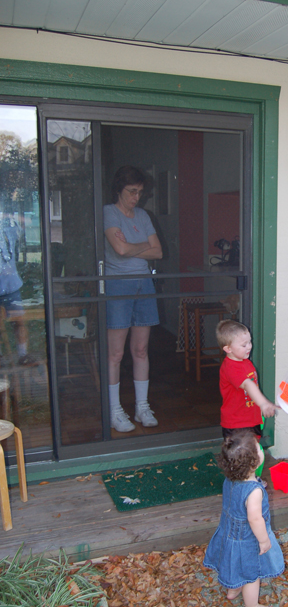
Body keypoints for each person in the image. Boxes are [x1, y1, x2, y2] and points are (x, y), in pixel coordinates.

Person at [104, 166, 163, 433]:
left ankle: (142, 406)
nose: (136, 197)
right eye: (131, 192)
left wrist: (132, 247)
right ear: (119, 189)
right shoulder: (109, 212)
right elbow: (119, 249)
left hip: (144, 285)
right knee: (115, 353)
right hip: (118, 287)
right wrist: (142, 246)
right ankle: (114, 409)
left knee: (140, 350)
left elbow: (159, 252)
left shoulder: (143, 215)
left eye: (139, 192)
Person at [203, 428, 284, 607]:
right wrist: (264, 540)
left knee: (232, 561)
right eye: (259, 449)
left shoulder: (230, 480)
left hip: (229, 532)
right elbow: (254, 519)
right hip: (247, 539)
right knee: (251, 574)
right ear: (255, 461)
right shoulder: (254, 491)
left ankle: (233, 588)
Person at [216, 319, 278, 442]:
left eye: (250, 342)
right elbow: (248, 384)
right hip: (237, 424)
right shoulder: (231, 367)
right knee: (240, 457)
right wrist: (263, 403)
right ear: (228, 349)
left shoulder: (246, 362)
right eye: (244, 345)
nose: (249, 346)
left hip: (251, 419)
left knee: (252, 455)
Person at [0, 210, 34, 365]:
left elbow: (27, 222)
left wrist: (9, 216)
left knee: (20, 320)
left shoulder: (8, 229)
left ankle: (23, 354)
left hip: (11, 286)